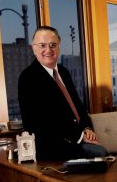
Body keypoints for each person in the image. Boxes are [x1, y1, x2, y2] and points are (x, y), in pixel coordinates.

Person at [18, 26, 108, 161]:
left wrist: (86, 128)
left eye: (53, 45)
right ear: (33, 48)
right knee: (101, 153)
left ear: (59, 47)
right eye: (42, 45)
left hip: (76, 139)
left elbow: (77, 106)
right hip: (53, 146)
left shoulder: (63, 72)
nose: (48, 50)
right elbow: (40, 122)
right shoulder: (28, 78)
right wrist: (79, 136)